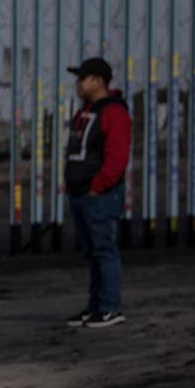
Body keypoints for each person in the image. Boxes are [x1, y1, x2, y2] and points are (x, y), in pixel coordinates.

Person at [63, 57, 130, 328]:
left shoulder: (113, 112)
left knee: (104, 250)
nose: (78, 84)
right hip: (82, 193)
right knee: (92, 252)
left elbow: (116, 158)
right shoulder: (86, 111)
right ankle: (95, 307)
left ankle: (110, 307)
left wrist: (96, 187)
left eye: (83, 78)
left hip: (100, 195)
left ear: (98, 81)